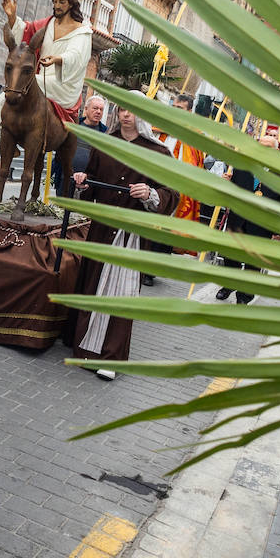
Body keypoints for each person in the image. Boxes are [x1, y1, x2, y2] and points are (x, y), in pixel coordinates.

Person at [66, 103, 178, 379]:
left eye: (132, 110)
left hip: (131, 233)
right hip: (101, 229)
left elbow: (172, 192)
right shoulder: (105, 143)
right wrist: (83, 181)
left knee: (121, 293)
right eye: (122, 110)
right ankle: (84, 349)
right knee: (92, 285)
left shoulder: (159, 152)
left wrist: (151, 193)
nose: (126, 114)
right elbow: (92, 181)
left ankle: (112, 358)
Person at [215, 126, 280, 304]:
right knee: (230, 256)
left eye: (268, 147)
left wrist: (279, 229)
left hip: (261, 224)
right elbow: (232, 191)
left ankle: (244, 295)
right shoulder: (241, 166)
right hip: (238, 219)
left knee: (253, 263)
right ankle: (228, 285)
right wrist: (226, 184)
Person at [0, 0, 93, 122]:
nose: (57, 6)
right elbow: (26, 31)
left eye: (62, 2)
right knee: (4, 98)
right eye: (55, 2)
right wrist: (12, 17)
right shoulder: (47, 24)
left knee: (19, 86)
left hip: (63, 83)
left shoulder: (82, 31)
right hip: (40, 78)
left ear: (71, 4)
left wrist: (58, 59)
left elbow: (76, 55)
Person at [145, 93, 208, 282]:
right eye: (174, 106)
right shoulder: (160, 129)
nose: (175, 110)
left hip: (178, 188)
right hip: (156, 183)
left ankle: (153, 270)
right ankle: (144, 266)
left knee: (167, 230)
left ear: (189, 111)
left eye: (180, 108)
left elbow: (196, 162)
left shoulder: (195, 135)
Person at [56, 93, 107, 195]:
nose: (98, 112)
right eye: (95, 108)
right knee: (61, 209)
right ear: (86, 109)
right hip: (66, 178)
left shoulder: (105, 133)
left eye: (101, 109)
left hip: (89, 183)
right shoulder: (73, 126)